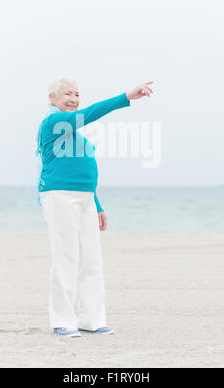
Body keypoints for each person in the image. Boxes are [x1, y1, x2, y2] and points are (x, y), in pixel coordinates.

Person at [36, 77, 153, 338]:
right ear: (52, 98)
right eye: (67, 93)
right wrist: (125, 97)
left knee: (91, 260)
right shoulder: (53, 122)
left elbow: (84, 173)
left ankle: (92, 319)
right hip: (59, 196)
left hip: (85, 199)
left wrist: (97, 204)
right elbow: (90, 114)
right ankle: (63, 320)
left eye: (77, 94)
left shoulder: (73, 133)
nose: (74, 98)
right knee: (67, 257)